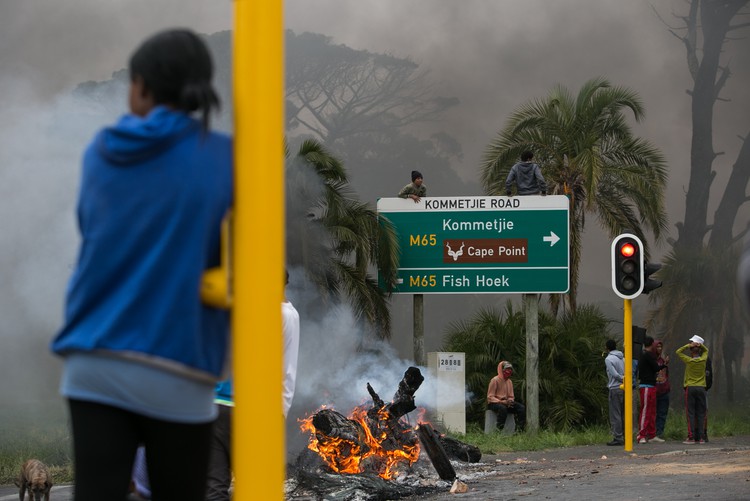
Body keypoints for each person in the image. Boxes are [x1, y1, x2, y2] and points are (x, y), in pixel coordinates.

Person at [50, 29, 232, 501]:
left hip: (97, 355)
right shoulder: (225, 159)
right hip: (180, 362)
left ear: (142, 86)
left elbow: (95, 231)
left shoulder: (102, 152)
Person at [205, 270, 299, 501]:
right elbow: (287, 369)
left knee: (215, 486)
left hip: (217, 404)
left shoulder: (235, 307)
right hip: (256, 411)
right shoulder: (287, 314)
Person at [676, 335, 709, 444]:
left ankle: (691, 437)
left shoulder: (689, 360)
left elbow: (678, 352)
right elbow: (706, 350)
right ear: (700, 350)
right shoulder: (704, 359)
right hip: (701, 388)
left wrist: (689, 345)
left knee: (690, 413)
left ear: (691, 350)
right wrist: (700, 345)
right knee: (701, 413)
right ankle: (700, 438)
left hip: (690, 388)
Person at [636, 336, 668, 444]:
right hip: (646, 386)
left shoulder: (646, 355)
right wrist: (664, 364)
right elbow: (656, 368)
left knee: (652, 411)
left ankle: (652, 434)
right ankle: (641, 435)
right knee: (645, 411)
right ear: (652, 345)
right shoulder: (647, 355)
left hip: (651, 385)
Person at [486, 361, 526, 432]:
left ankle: (519, 431)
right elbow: (490, 397)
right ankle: (498, 430)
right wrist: (501, 401)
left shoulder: (509, 381)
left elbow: (511, 396)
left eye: (510, 369)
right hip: (494, 403)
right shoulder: (495, 380)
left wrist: (510, 401)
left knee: (521, 408)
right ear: (502, 370)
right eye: (507, 369)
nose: (509, 371)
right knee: (503, 409)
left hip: (506, 402)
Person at [604, 340, 625, 446]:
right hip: (624, 388)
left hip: (614, 388)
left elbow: (614, 374)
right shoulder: (623, 358)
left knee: (615, 414)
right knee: (623, 413)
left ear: (607, 348)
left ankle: (618, 437)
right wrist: (626, 380)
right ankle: (625, 435)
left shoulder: (608, 359)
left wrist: (622, 379)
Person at [654, 340, 671, 439]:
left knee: (662, 413)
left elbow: (666, 375)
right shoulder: (652, 361)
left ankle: (659, 433)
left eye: (661, 347)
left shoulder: (662, 360)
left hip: (664, 391)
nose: (659, 349)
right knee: (653, 413)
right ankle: (652, 433)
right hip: (655, 391)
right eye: (657, 347)